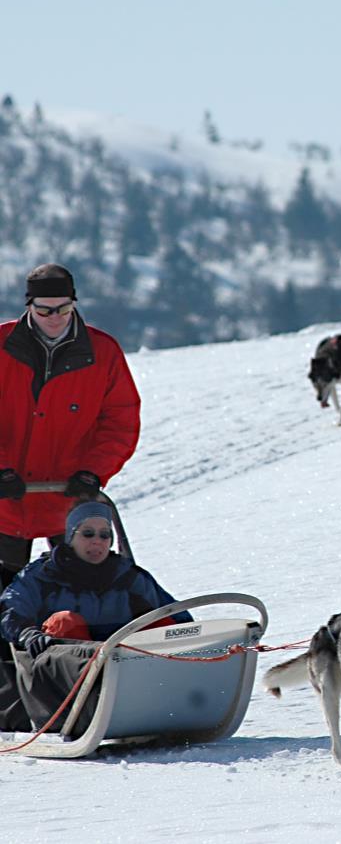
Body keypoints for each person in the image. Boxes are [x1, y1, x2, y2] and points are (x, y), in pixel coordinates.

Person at [0, 262, 141, 587]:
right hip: (7, 500)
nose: (54, 317)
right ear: (29, 305)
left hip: (69, 499)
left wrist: (93, 471)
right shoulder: (3, 346)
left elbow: (120, 421)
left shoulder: (102, 352)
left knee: (78, 590)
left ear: (74, 303)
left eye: (62, 308)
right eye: (45, 310)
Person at [0, 500, 192, 732]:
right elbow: (9, 611)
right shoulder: (41, 576)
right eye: (88, 534)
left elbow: (178, 620)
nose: (97, 541)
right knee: (64, 621)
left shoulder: (129, 578)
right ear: (71, 537)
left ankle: (172, 703)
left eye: (104, 535)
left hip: (130, 676)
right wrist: (27, 633)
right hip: (64, 684)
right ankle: (86, 712)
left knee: (160, 621)